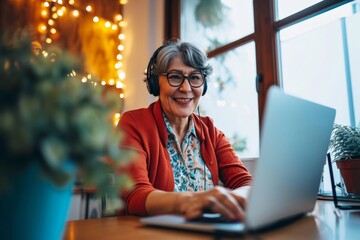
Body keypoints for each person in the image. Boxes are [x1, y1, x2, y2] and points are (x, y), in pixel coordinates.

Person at [118, 39, 252, 221]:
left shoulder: (211, 131)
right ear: (157, 82)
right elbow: (135, 195)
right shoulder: (134, 123)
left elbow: (245, 183)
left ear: (202, 86)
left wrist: (236, 199)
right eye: (175, 76)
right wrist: (189, 201)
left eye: (195, 78)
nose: (186, 88)